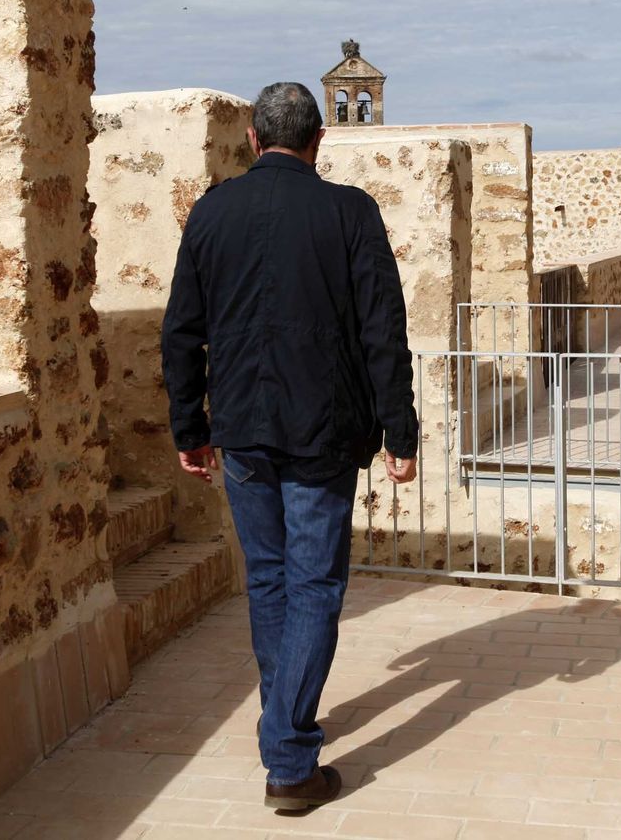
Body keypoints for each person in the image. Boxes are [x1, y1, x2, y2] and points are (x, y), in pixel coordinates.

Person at [161, 81, 418, 811]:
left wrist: (190, 426)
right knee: (313, 587)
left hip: (241, 429)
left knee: (271, 583)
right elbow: (382, 333)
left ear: (251, 136)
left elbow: (181, 329)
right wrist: (400, 431)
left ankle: (285, 726)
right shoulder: (351, 212)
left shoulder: (212, 212)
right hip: (324, 434)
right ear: (319, 139)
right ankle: (290, 759)